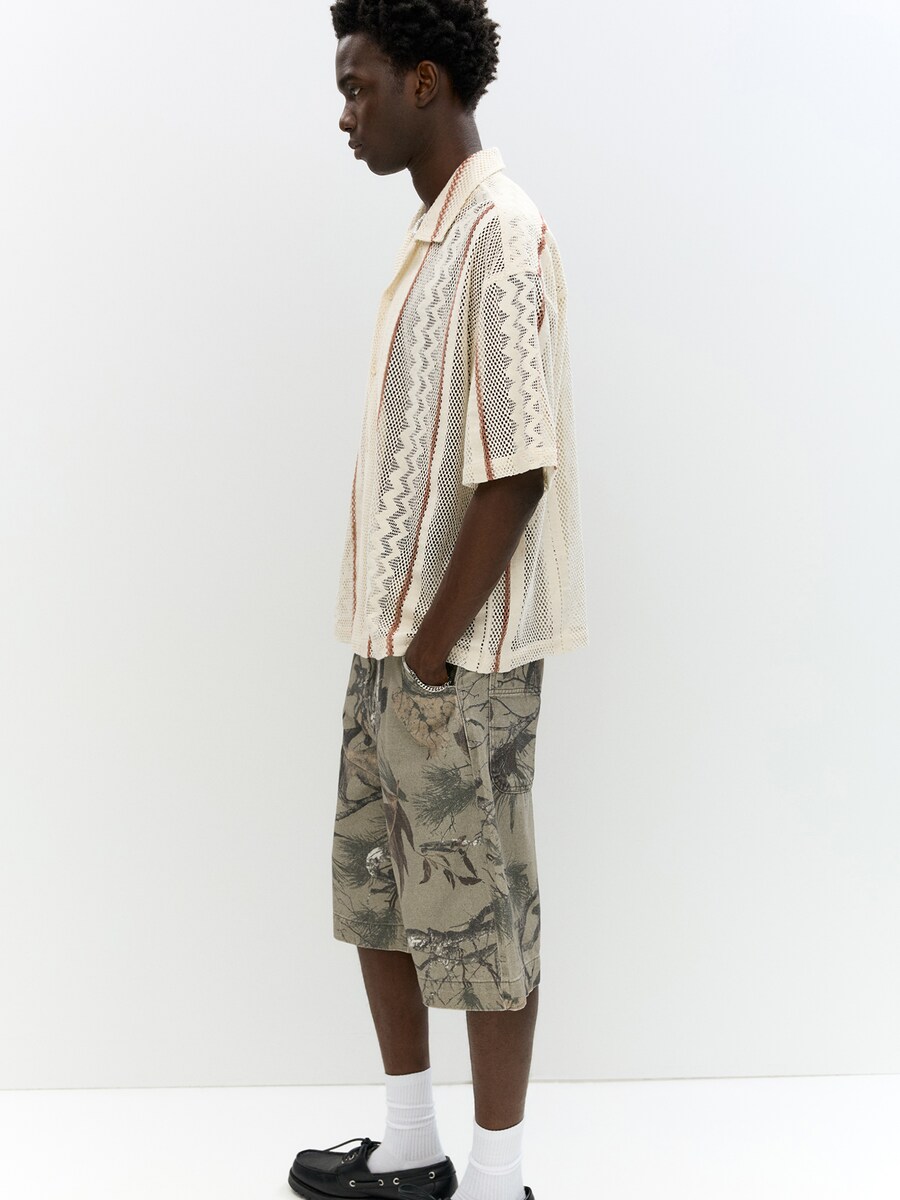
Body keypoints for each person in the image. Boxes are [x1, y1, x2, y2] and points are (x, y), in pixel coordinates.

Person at [288, 3, 588, 1199]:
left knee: (484, 915)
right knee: (379, 892)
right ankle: (413, 1150)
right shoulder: (432, 236)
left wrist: (427, 654)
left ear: (424, 81)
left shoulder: (499, 231)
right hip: (392, 642)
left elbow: (518, 469)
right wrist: (393, 651)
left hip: (461, 658)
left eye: (357, 85)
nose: (344, 113)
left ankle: (500, 1176)